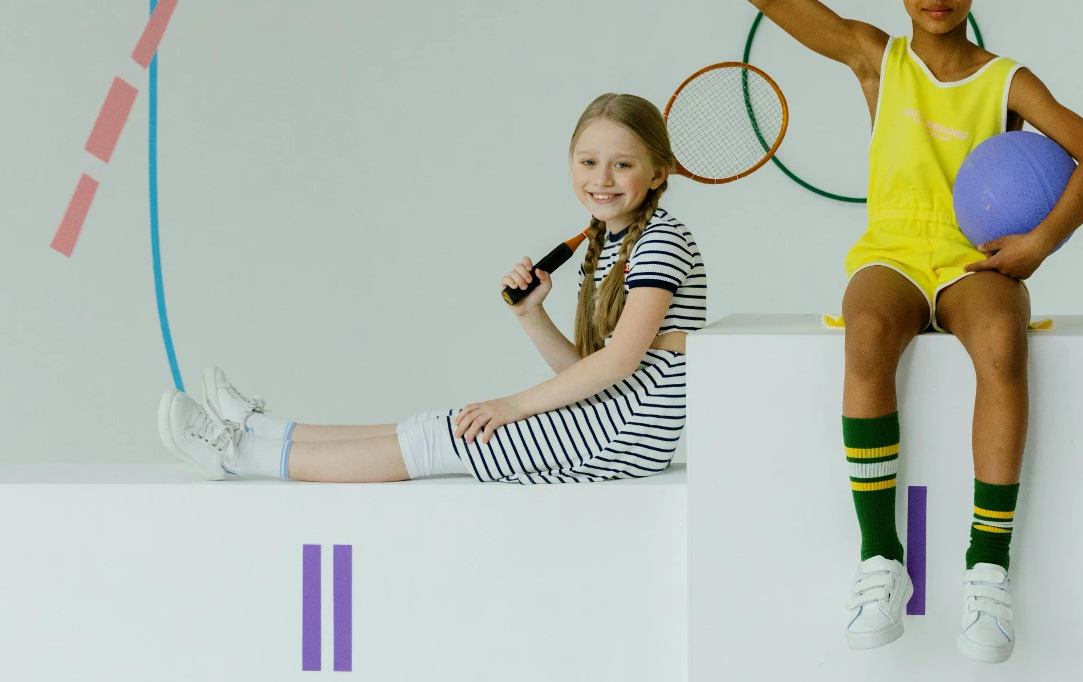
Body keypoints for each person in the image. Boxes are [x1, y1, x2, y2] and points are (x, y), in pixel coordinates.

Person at [745, 0, 1083, 663]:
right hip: (891, 250)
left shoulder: (1007, 80)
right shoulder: (875, 58)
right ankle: (881, 558)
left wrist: (1040, 243)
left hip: (971, 262)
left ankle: (988, 569)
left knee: (998, 341)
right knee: (868, 335)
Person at [157, 93, 705, 485]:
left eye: (622, 164)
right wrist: (531, 316)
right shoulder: (614, 243)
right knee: (428, 428)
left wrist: (511, 406)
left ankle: (233, 457)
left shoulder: (659, 242)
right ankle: (256, 429)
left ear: (658, 174)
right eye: (588, 162)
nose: (601, 179)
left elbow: (617, 365)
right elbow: (584, 371)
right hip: (618, 418)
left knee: (434, 441)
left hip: (628, 431)